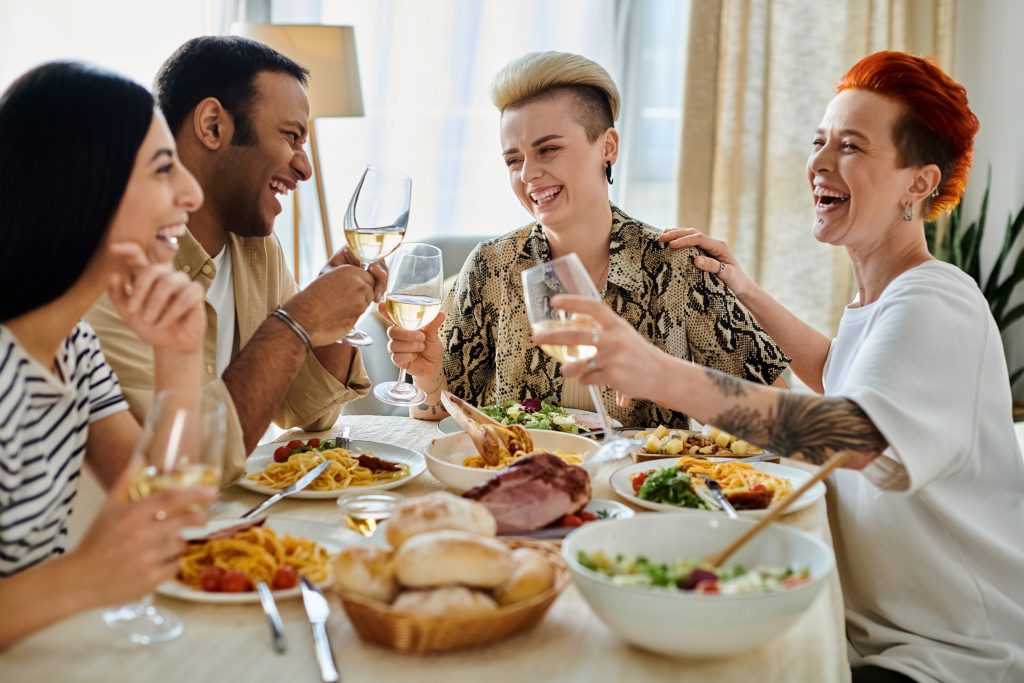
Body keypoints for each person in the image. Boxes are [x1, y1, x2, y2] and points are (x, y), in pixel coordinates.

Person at [535, 51, 1024, 682]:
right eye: (819, 141)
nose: (819, 162)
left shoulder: (937, 300)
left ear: (918, 183)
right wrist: (745, 289)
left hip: (948, 657)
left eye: (851, 146)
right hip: (870, 634)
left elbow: (853, 435)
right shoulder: (884, 298)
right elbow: (838, 369)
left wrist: (657, 373)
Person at [387, 51, 788, 428]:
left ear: (608, 147)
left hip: (639, 479)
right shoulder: (490, 267)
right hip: (521, 475)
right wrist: (427, 377)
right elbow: (437, 418)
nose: (527, 174)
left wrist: (672, 383)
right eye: (513, 160)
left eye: (549, 150)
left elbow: (777, 414)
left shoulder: (678, 265)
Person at [87, 36, 387, 481]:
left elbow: (309, 412)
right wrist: (297, 322)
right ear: (212, 126)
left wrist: (335, 316)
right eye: (291, 136)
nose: (305, 168)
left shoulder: (256, 248)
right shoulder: (113, 271)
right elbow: (175, 470)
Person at [0, 62, 215, 645]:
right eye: (163, 168)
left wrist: (178, 356)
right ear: (80, 185)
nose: (192, 193)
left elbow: (170, 510)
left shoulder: (73, 346)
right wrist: (83, 577)